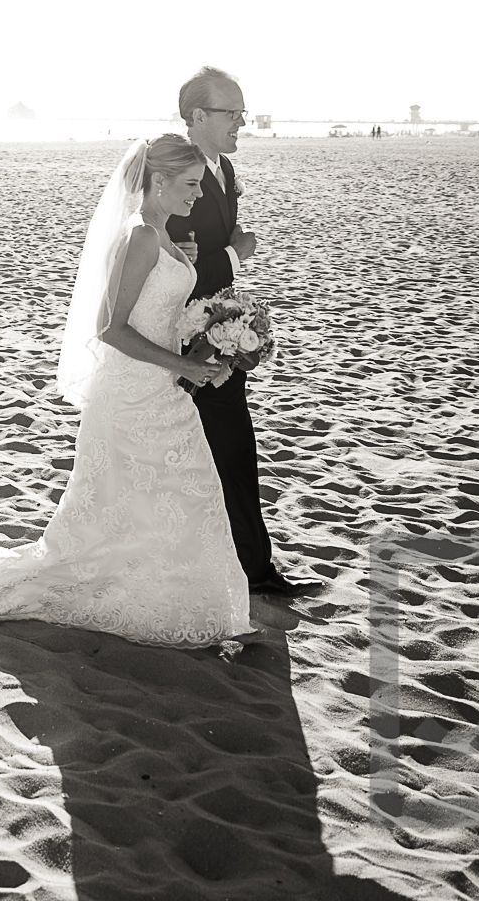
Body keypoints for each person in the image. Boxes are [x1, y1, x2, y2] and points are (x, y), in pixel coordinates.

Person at [0, 135, 251, 647]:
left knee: (184, 496)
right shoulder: (140, 235)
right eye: (189, 185)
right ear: (157, 181)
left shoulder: (164, 236)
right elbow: (110, 329)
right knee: (143, 502)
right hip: (131, 396)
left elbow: (157, 316)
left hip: (165, 393)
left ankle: (177, 599)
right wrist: (185, 362)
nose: (198, 196)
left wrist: (211, 341)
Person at [164, 67, 307, 596]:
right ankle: (252, 571)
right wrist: (234, 253)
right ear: (197, 117)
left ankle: (246, 567)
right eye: (231, 112)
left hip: (216, 328)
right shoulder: (179, 170)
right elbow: (173, 266)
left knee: (229, 452)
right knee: (226, 451)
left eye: (242, 112)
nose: (241, 121)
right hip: (183, 338)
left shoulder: (221, 167)